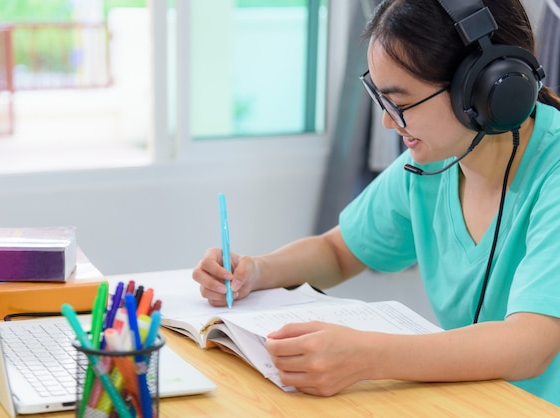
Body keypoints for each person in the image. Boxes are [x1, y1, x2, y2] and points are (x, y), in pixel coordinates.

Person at [192, 0, 560, 407]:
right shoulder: (432, 165)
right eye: (382, 100)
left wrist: (366, 356)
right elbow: (338, 251)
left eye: (401, 103)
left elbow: (531, 342)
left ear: (487, 88)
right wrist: (257, 271)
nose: (388, 121)